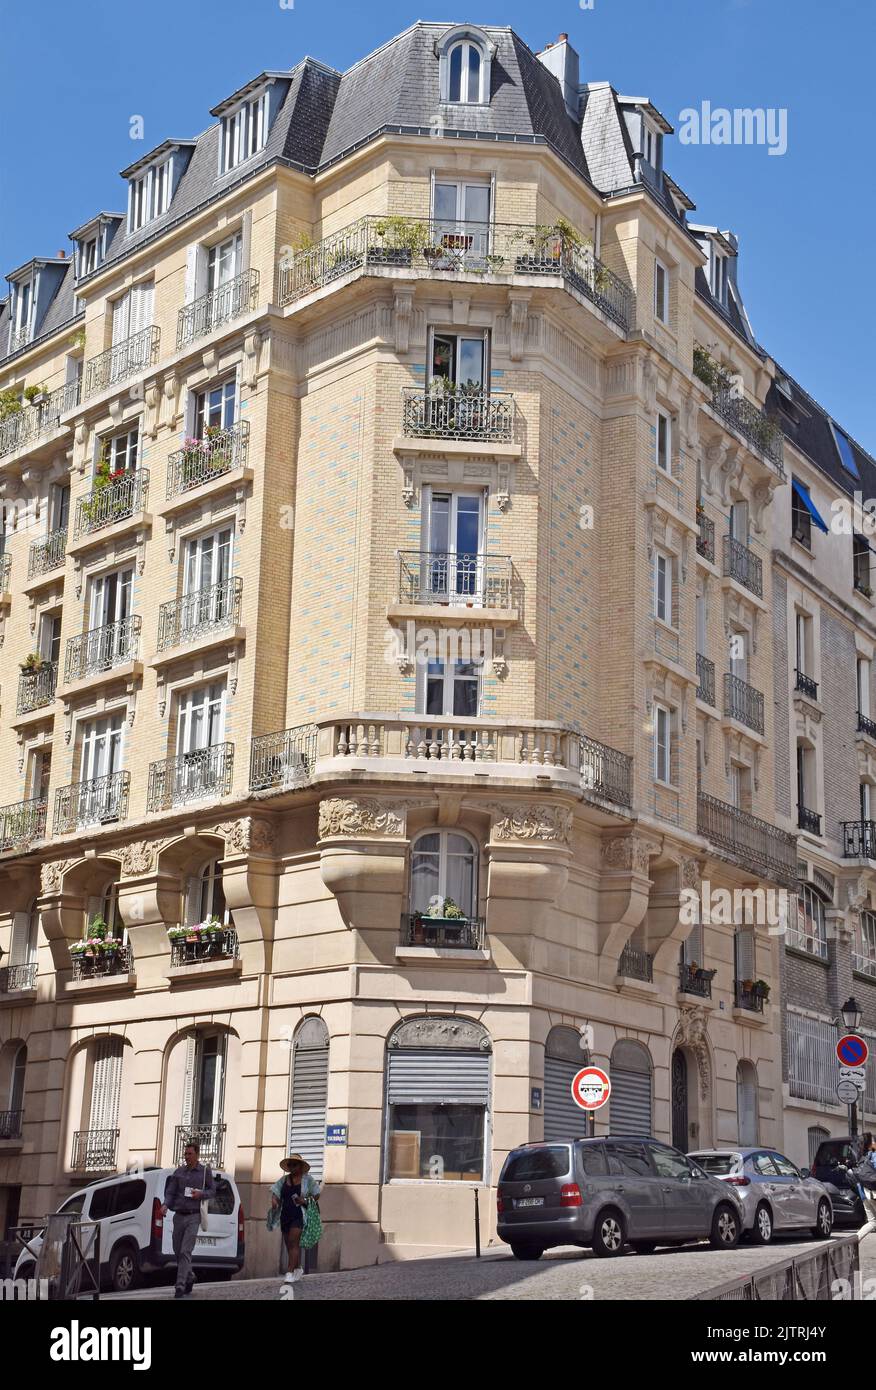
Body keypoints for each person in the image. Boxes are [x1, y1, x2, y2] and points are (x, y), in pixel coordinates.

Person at [161, 1141, 216, 1298]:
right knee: (177, 1251)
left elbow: (213, 1191)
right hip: (178, 1216)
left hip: (194, 1216)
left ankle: (180, 1285)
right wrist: (165, 1205)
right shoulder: (178, 1172)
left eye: (190, 1154)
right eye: (185, 1154)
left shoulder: (205, 1172)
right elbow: (171, 1192)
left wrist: (201, 1195)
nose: (187, 1157)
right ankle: (190, 1276)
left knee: (186, 1250)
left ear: (197, 1155)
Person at [268, 1154, 321, 1284]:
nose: (292, 1167)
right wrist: (274, 1201)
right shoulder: (283, 1180)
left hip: (299, 1215)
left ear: (301, 1166)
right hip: (285, 1214)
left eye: (294, 1164)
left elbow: (317, 1194)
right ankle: (298, 1267)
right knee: (288, 1244)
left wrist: (305, 1200)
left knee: (293, 1242)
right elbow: (275, 1193)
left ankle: (290, 1272)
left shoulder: (308, 1180)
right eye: (290, 1165)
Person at [853, 1132, 876, 1237]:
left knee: (872, 1222)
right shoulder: (873, 1154)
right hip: (873, 1193)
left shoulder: (860, 1156)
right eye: (873, 1140)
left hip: (863, 1194)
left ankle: (854, 1242)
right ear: (870, 1143)